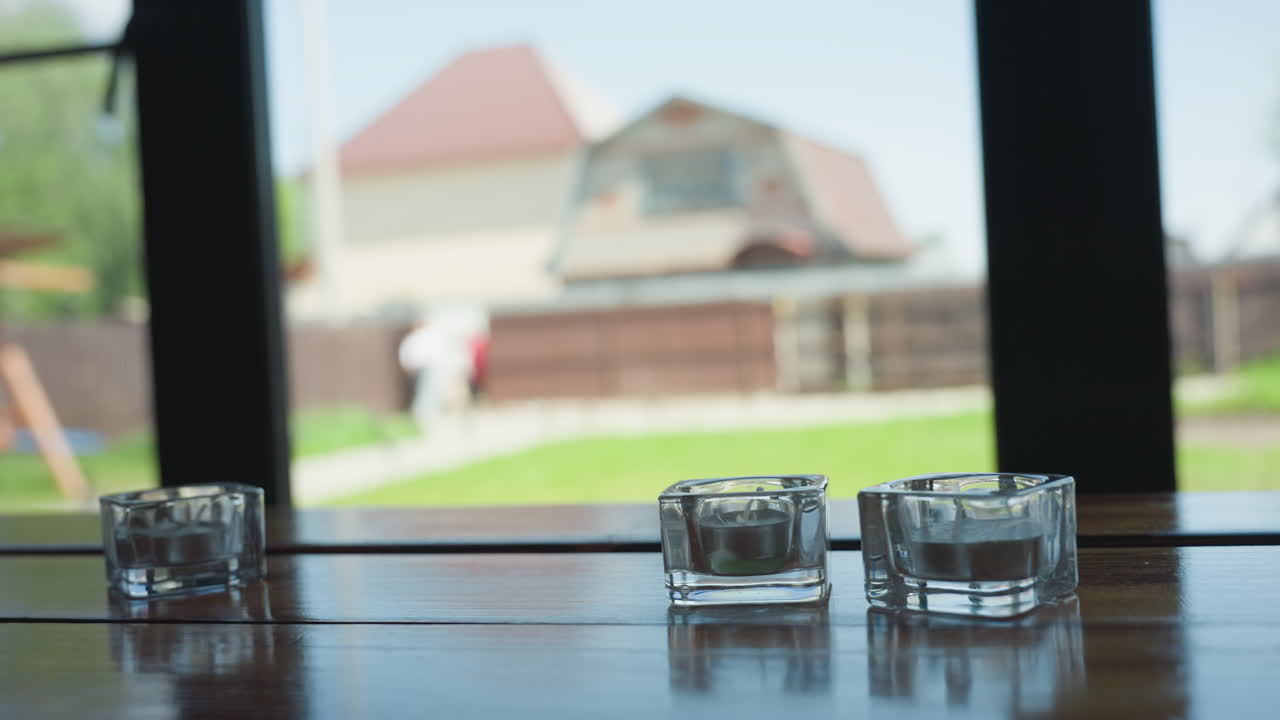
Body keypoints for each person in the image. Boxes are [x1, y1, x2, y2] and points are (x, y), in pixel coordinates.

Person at [398, 315, 471, 429]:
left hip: (430, 367)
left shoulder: (426, 336)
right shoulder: (420, 337)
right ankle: (424, 414)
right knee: (425, 392)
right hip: (421, 368)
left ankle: (428, 414)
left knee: (429, 391)